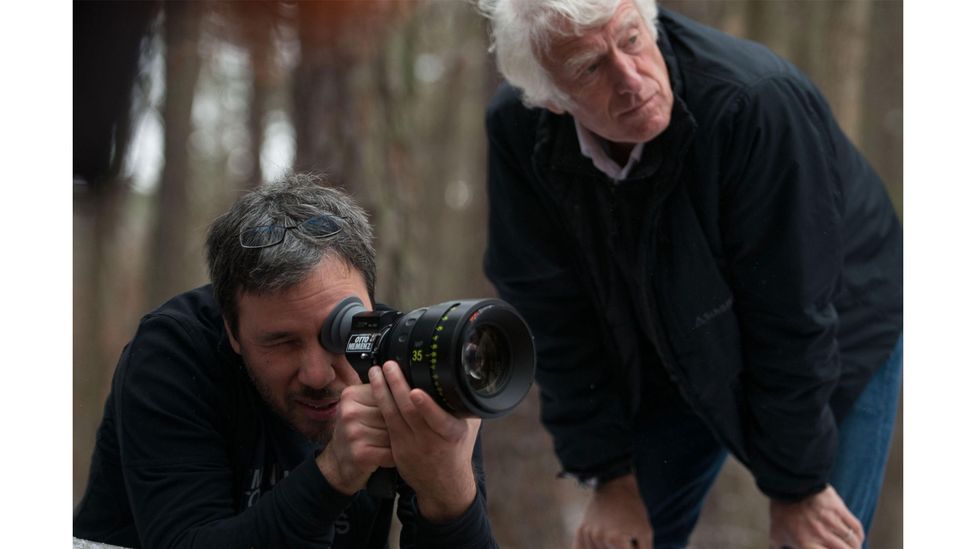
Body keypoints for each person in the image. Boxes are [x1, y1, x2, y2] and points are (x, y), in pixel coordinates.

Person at [477, 1, 903, 548]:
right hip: (670, 329)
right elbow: (553, 315)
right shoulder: (519, 133)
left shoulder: (753, 102)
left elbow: (792, 315)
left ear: (648, 23)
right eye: (590, 67)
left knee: (817, 539)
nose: (631, 80)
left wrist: (798, 488)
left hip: (836, 317)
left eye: (631, 40)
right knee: (623, 537)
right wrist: (609, 473)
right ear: (550, 100)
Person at [74, 174, 499, 548]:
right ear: (232, 331)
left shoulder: (408, 358)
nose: (316, 373)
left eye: (341, 331)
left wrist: (449, 491)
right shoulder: (174, 356)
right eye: (281, 342)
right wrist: (334, 474)